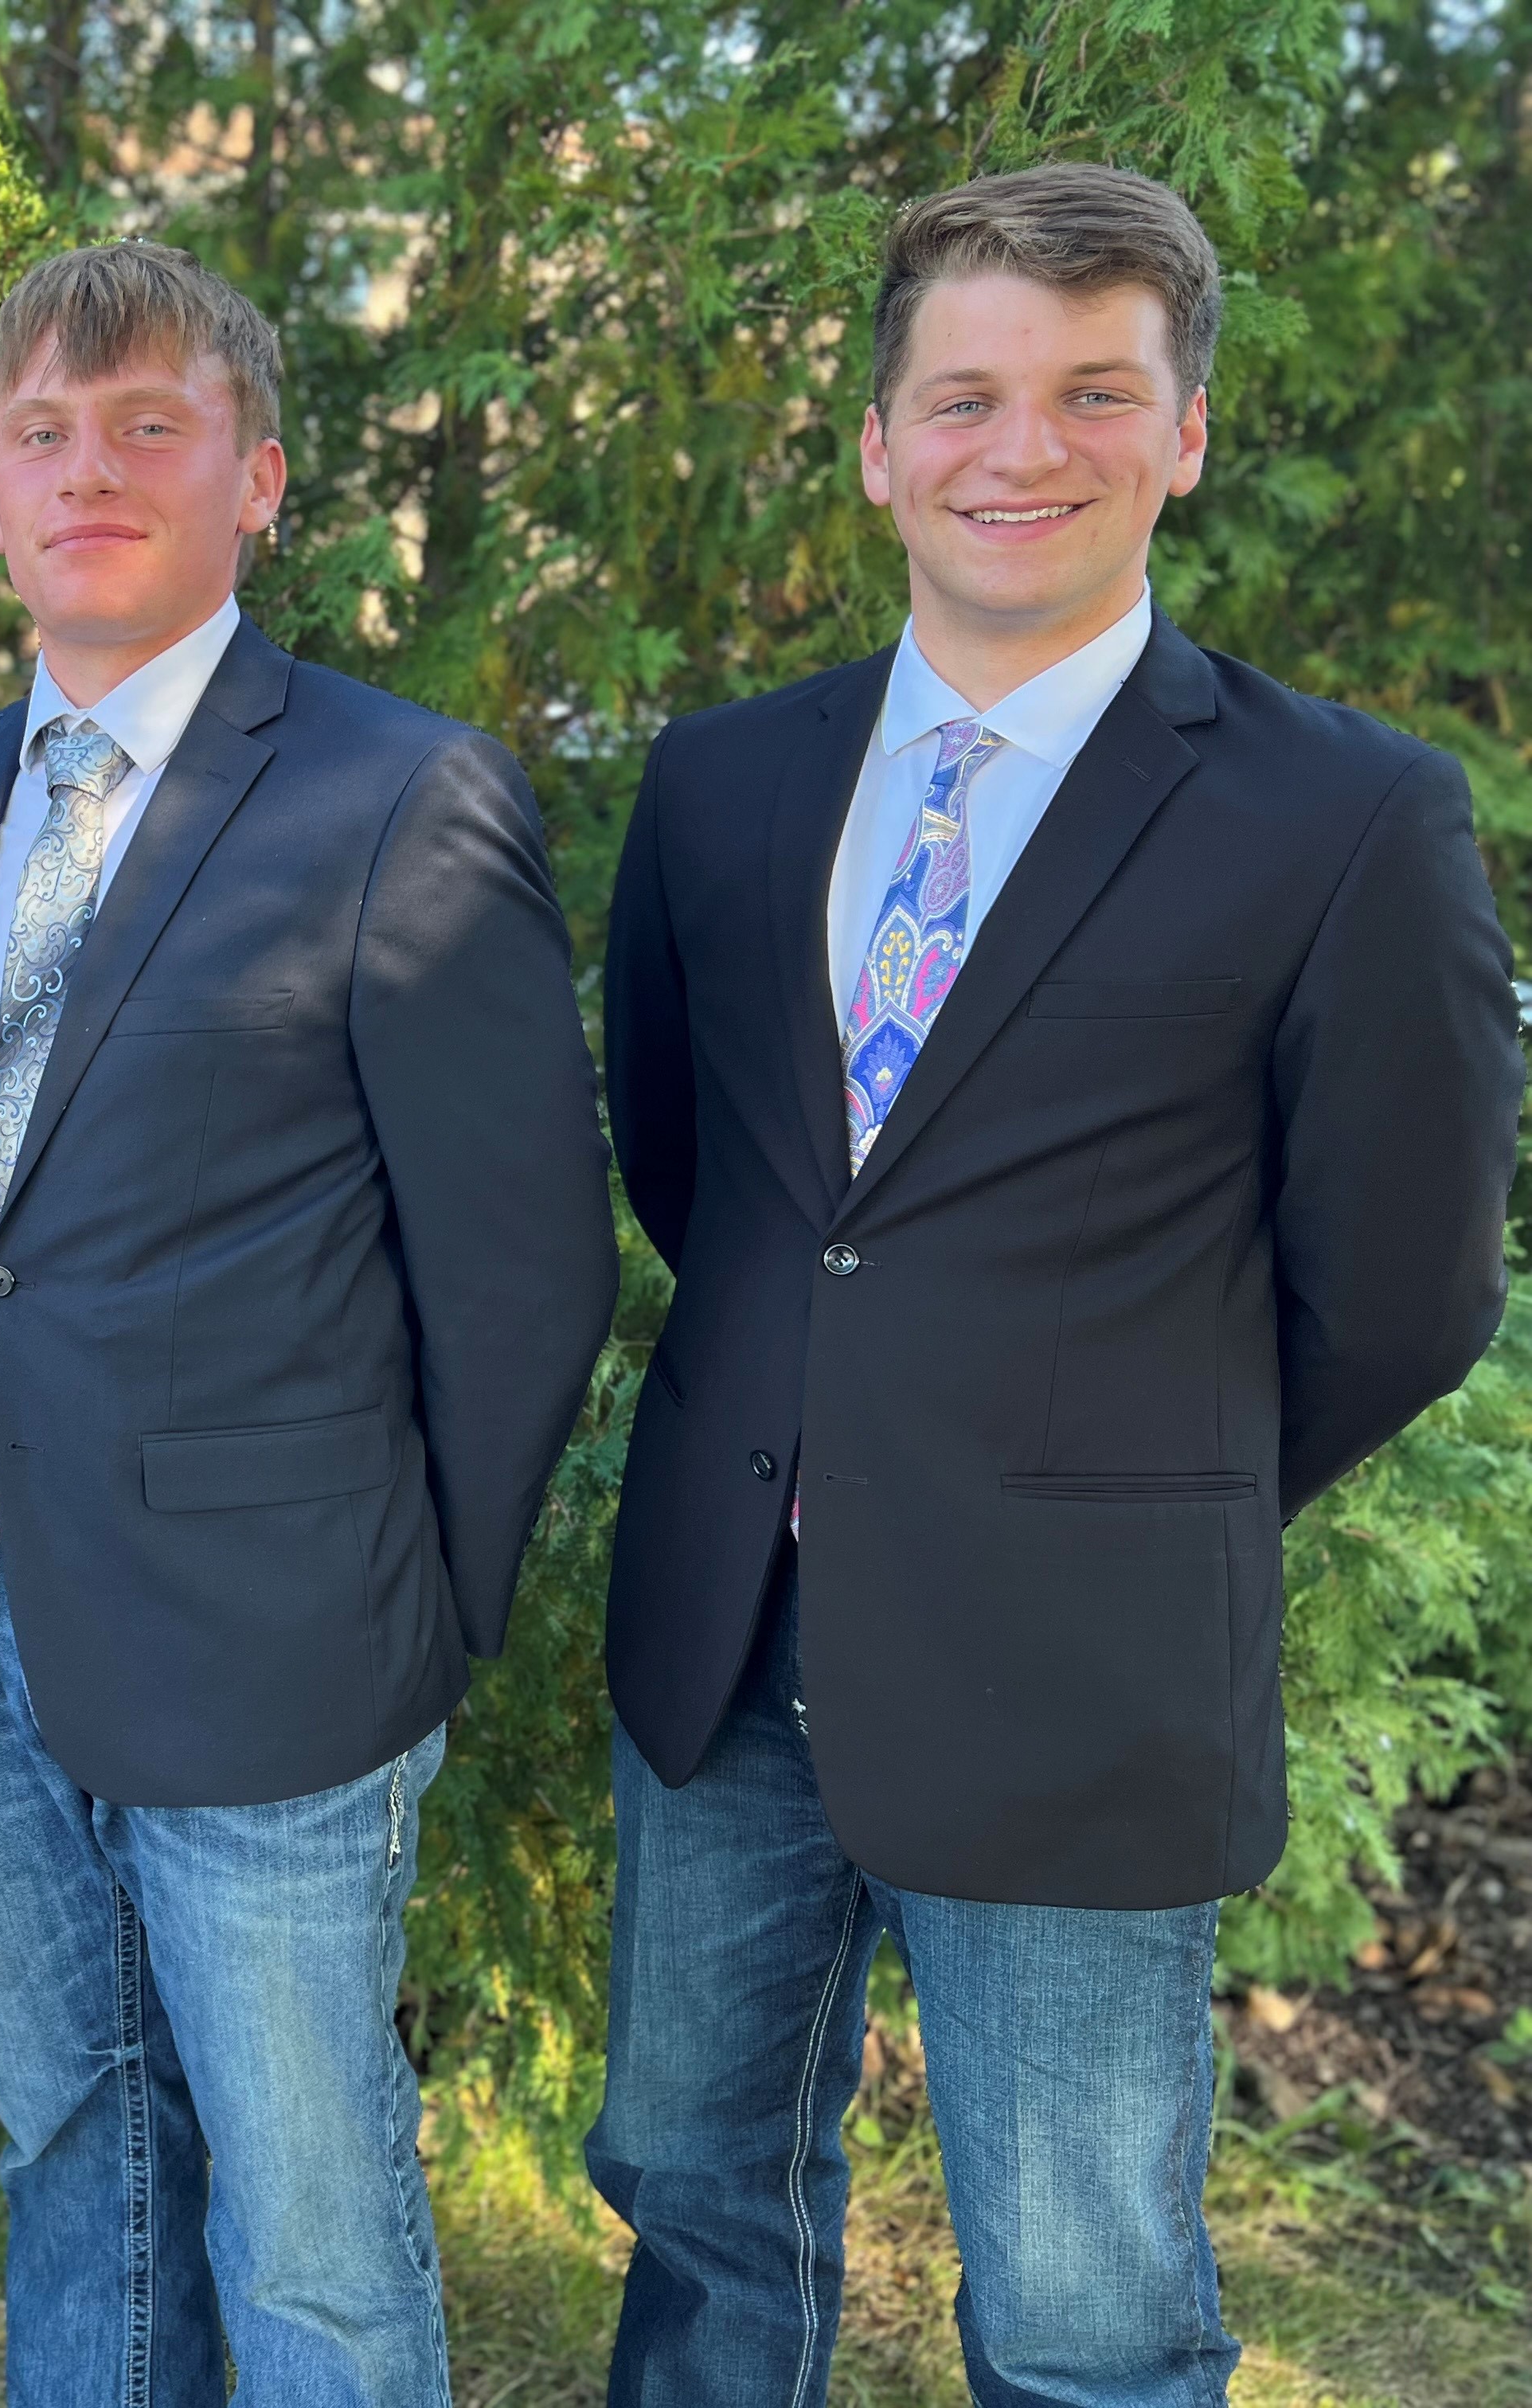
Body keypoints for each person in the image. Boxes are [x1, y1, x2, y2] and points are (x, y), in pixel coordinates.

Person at [592, 163, 1522, 2406]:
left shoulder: (1346, 818)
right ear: (880, 446)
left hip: (1077, 1666)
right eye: (968, 397)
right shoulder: (723, 786)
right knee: (699, 2200)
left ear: (1184, 434)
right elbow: (706, 1176)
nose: (1026, 448)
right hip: (727, 1631)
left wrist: (1117, 1485)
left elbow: (1402, 1292)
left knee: (1087, 2315)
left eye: (1096, 392)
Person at [0, 241, 619, 2404]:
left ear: (259, 479)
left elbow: (524, 1267)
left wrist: (413, 1608)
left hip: (289, 1638)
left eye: (148, 427)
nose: (88, 471)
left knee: (308, 2222)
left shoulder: (398, 794)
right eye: (42, 434)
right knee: (76, 2155)